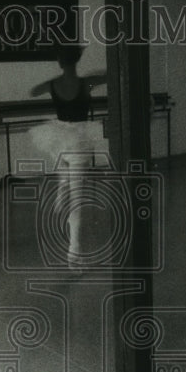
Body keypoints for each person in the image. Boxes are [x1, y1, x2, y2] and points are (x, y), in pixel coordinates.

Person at [28, 45, 107, 267]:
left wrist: (56, 80)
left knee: (63, 166)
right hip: (79, 139)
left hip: (60, 138)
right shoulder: (86, 83)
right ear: (77, 59)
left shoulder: (54, 84)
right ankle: (74, 251)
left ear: (60, 62)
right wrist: (94, 74)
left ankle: (62, 185)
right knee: (77, 195)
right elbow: (108, 77)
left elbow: (33, 91)